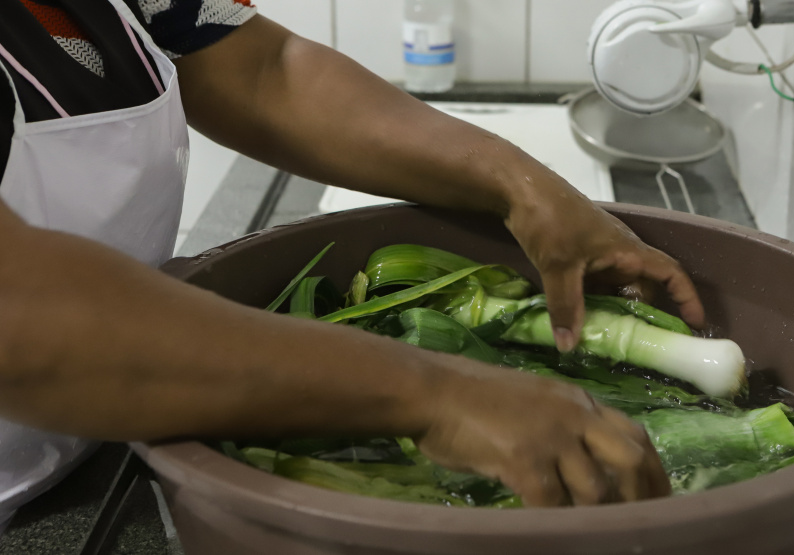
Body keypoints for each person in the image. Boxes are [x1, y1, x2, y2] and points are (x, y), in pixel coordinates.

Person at [0, 0, 706, 525]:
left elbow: (264, 71)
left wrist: (519, 186)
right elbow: (17, 315)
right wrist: (438, 392)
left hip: (104, 435)